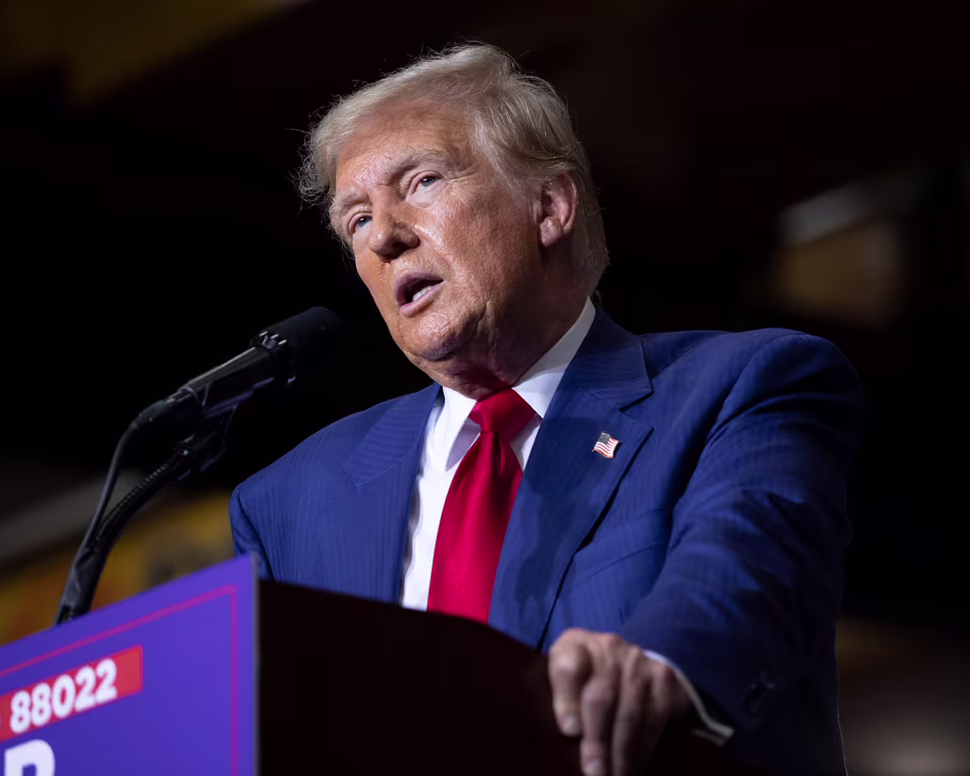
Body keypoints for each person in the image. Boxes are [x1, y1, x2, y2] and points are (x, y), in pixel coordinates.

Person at [230, 43, 862, 775]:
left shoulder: (737, 387)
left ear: (550, 207)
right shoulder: (286, 504)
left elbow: (744, 571)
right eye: (357, 221)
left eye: (423, 181)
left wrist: (653, 664)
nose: (386, 238)